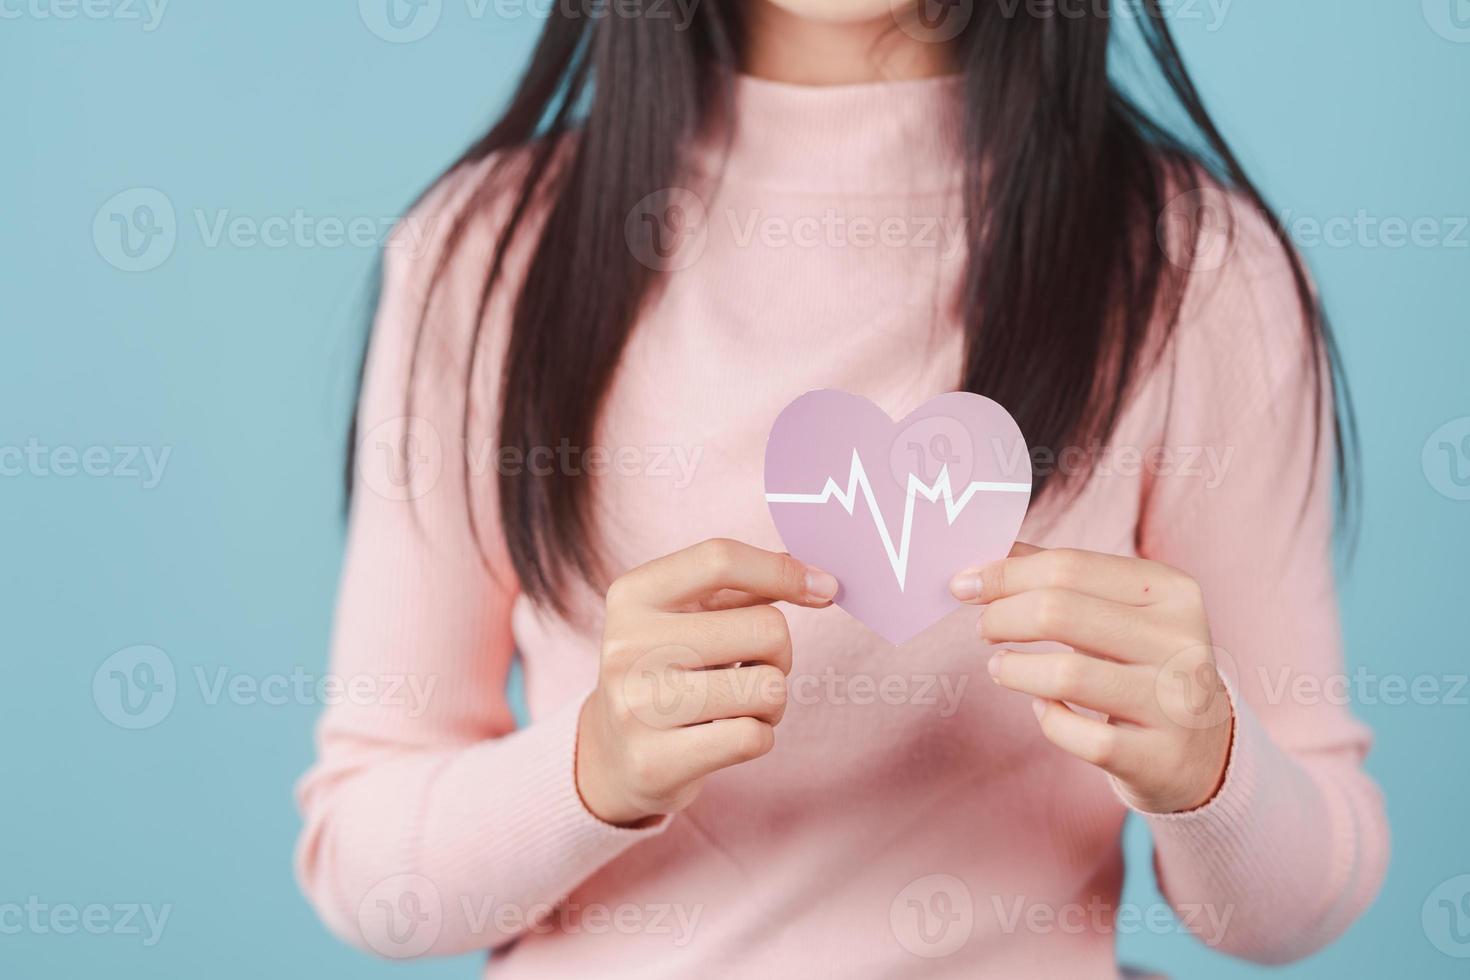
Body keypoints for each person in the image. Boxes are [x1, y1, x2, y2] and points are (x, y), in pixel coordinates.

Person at [296, 3, 1388, 975]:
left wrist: (1214, 767)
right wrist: (589, 769)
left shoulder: (1196, 270)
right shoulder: (486, 258)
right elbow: (365, 865)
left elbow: (1297, 900)